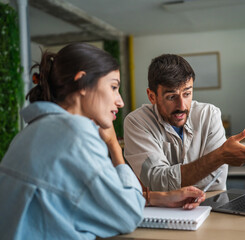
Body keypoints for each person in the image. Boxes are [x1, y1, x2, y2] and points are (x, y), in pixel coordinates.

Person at [0, 43, 205, 240]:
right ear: (82, 83)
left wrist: (158, 198)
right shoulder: (75, 136)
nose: (120, 101)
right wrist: (114, 145)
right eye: (114, 87)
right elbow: (126, 216)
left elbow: (91, 197)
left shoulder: (34, 131)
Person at [124, 54, 245, 192]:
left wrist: (170, 183)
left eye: (187, 94)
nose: (182, 106)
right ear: (152, 96)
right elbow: (157, 182)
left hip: (211, 203)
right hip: (164, 213)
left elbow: (216, 182)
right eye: (171, 97)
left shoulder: (209, 115)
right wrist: (218, 157)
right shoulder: (137, 122)